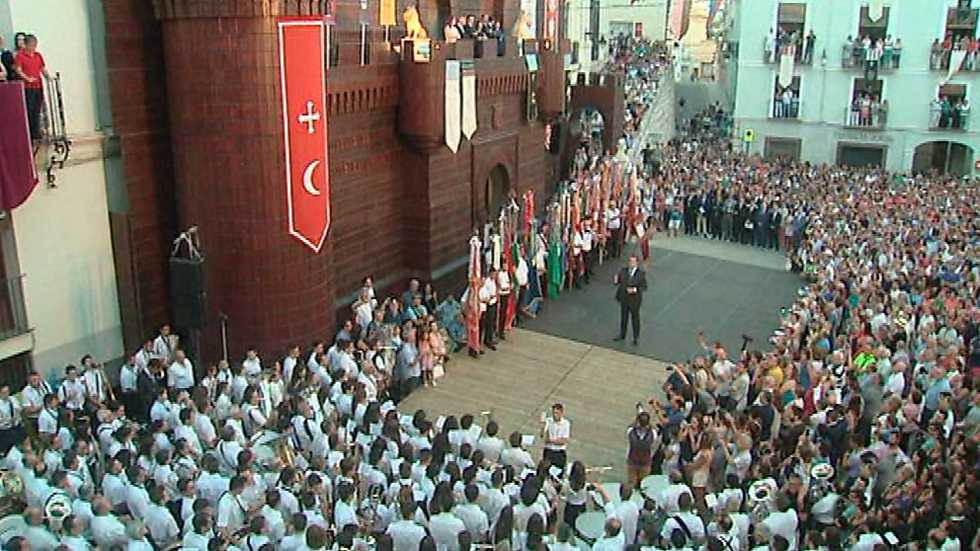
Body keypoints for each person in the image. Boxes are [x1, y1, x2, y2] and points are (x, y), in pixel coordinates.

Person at [13, 34, 48, 140]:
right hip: (28, 87)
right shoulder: (20, 55)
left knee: (37, 109)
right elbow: (18, 70)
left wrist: (48, 77)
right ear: (26, 45)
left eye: (35, 45)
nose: (34, 47)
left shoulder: (38, 55)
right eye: (32, 45)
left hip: (38, 86)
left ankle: (37, 132)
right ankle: (31, 134)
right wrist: (27, 78)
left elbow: (42, 68)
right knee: (30, 110)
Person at [613, 255, 647, 345]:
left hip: (634, 300)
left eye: (633, 262)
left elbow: (644, 287)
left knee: (635, 318)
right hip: (624, 298)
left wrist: (634, 290)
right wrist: (616, 280)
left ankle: (636, 337)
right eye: (630, 261)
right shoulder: (623, 271)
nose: (631, 263)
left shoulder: (641, 274)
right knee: (624, 317)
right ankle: (622, 335)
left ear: (637, 263)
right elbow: (619, 281)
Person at [540, 402, 570, 471]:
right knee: (545, 471)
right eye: (553, 413)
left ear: (561, 413)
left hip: (559, 452)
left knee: (558, 471)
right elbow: (542, 436)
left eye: (557, 413)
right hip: (548, 451)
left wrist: (551, 441)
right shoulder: (548, 421)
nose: (554, 415)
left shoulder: (565, 423)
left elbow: (563, 441)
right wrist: (542, 426)